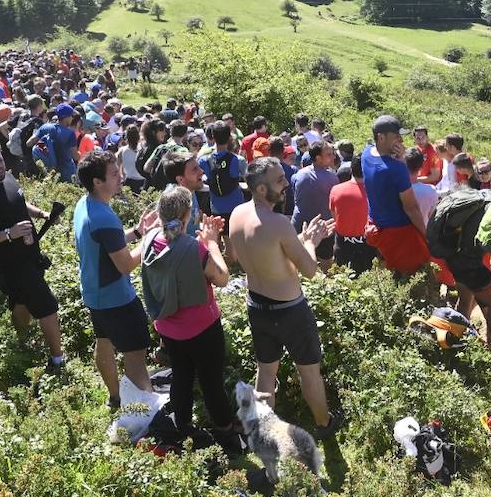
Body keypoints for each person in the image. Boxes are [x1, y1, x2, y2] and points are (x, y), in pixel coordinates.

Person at [225, 156, 341, 438]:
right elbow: (311, 270)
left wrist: (298, 241)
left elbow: (257, 256)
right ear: (262, 189)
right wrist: (311, 242)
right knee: (309, 371)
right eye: (279, 180)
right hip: (290, 311)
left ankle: (262, 428)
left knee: (266, 371)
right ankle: (324, 425)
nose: (286, 183)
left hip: (257, 306)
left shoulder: (237, 214)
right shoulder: (278, 223)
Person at [139, 185, 238, 449]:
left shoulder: (150, 238)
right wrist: (212, 243)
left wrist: (200, 240)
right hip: (202, 329)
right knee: (210, 381)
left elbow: (172, 241)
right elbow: (223, 278)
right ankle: (225, 429)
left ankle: (181, 423)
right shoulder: (194, 249)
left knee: (181, 376)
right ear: (189, 213)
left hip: (168, 329)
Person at [0, 142, 64, 370]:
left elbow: (18, 201)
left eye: (0, 160)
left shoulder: (7, 178)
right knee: (47, 306)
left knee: (20, 301)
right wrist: (9, 233)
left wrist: (41, 213)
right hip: (11, 264)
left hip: (30, 255)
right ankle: (58, 359)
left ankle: (22, 342)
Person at [73, 150, 158, 408]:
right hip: (116, 298)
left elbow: (106, 243)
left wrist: (136, 232)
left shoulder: (84, 204)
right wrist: (150, 239)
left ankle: (115, 398)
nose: (121, 176)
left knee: (104, 341)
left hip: (93, 292)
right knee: (135, 355)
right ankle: (144, 410)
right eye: (113, 174)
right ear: (97, 182)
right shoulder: (103, 217)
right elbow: (125, 264)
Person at [361, 115, 430, 275]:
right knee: (411, 277)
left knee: (389, 273)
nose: (401, 140)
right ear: (381, 137)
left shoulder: (366, 154)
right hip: (398, 233)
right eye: (396, 136)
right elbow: (411, 207)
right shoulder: (397, 169)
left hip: (376, 225)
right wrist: (426, 235)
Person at [329, 152, 377, 276]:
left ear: (351, 169)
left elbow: (335, 218)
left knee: (344, 285)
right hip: (369, 245)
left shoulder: (336, 190)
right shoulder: (376, 192)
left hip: (343, 245)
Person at [200, 121, 244, 233]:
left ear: (213, 137)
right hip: (236, 205)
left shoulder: (204, 160)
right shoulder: (238, 160)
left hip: (216, 206)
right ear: (229, 137)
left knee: (219, 236)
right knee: (236, 238)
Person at [29, 103, 80, 182]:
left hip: (49, 172)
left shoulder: (45, 127)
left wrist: (45, 148)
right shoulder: (70, 133)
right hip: (67, 174)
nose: (72, 118)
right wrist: (80, 154)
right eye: (71, 116)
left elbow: (29, 142)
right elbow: (75, 156)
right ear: (66, 117)